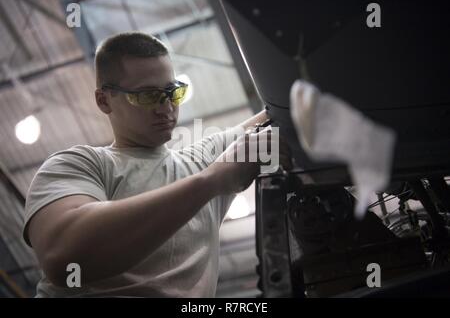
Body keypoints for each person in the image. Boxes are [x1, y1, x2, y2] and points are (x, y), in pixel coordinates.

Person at [23, 32, 290, 297]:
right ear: (104, 100)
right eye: (148, 96)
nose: (166, 108)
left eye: (173, 92)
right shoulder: (79, 165)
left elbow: (280, 112)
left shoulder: (199, 162)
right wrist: (210, 182)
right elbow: (64, 258)